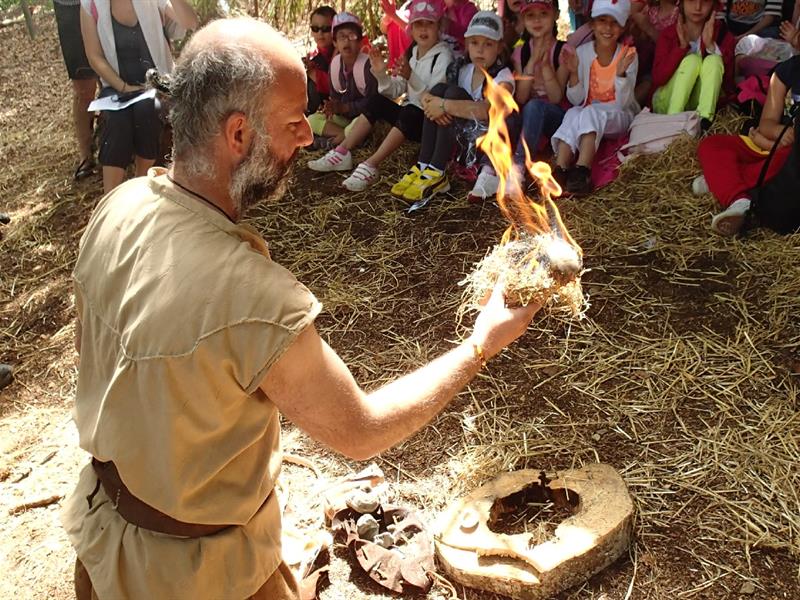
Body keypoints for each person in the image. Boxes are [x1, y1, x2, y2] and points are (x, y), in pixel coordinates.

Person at [61, 17, 541, 600]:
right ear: (238, 134)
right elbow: (359, 431)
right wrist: (480, 343)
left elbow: (111, 361)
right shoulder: (252, 295)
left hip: (99, 540)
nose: (309, 137)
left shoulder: (120, 206)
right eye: (293, 122)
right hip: (200, 576)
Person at [308, 0, 453, 192]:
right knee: (377, 102)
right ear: (411, 29)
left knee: (410, 110)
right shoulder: (413, 52)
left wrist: (411, 76)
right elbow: (396, 90)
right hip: (411, 114)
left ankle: (371, 164)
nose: (423, 30)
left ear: (439, 26)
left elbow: (433, 101)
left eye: (429, 24)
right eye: (418, 24)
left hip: (428, 122)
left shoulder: (443, 56)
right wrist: (381, 74)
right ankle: (343, 151)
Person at [391, 10, 515, 203]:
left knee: (450, 93)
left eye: (488, 44)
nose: (480, 50)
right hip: (459, 140)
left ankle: (437, 170)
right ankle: (425, 164)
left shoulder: (503, 77)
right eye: (475, 43)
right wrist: (433, 103)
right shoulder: (462, 69)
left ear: (499, 48)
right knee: (442, 88)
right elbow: (437, 99)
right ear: (467, 44)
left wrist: (443, 105)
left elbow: (487, 111)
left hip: (484, 145)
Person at [80, 0, 198, 194]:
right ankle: (111, 198)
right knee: (116, 120)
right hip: (116, 86)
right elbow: (94, 56)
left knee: (147, 109)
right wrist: (123, 87)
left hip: (155, 85)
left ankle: (140, 188)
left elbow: (189, 22)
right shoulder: (90, 4)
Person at [695, 53, 799, 235]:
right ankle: (737, 196)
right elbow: (766, 123)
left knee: (789, 157)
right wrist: (773, 136)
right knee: (711, 144)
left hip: (791, 158)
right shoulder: (787, 71)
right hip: (770, 144)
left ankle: (723, 183)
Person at [551, 0, 640, 195]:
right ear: (592, 24)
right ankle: (561, 169)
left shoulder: (627, 55)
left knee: (589, 112)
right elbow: (576, 100)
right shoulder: (583, 53)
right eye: (602, 21)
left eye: (614, 22)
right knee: (574, 112)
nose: (608, 28)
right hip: (588, 114)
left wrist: (621, 75)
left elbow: (623, 103)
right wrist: (574, 73)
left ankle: (582, 171)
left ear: (623, 26)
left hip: (618, 116)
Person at [651, 0, 735, 127]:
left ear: (713, 5)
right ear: (682, 3)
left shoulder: (723, 35)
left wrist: (711, 47)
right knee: (692, 61)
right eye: (691, 0)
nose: (698, 7)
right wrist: (681, 48)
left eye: (705, 1)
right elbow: (658, 78)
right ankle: (672, 123)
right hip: (667, 102)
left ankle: (704, 122)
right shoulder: (668, 34)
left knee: (714, 60)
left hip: (700, 104)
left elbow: (728, 85)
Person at [511, 0, 570, 179]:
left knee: (535, 106)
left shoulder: (564, 50)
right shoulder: (520, 52)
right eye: (531, 16)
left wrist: (545, 67)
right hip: (529, 116)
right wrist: (531, 62)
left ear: (555, 15)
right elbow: (521, 97)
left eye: (543, 14)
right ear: (523, 19)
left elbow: (556, 97)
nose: (537, 21)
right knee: (520, 110)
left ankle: (519, 166)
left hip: (556, 116)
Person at [306, 12, 378, 149]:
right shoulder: (335, 66)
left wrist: (346, 107)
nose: (346, 41)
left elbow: (373, 103)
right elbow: (335, 97)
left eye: (352, 36)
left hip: (364, 120)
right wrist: (332, 106)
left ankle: (333, 142)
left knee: (359, 122)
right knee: (312, 119)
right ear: (335, 42)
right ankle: (352, 138)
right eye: (341, 37)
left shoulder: (367, 66)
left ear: (360, 41)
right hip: (345, 120)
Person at [54, 0, 98, 180]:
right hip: (70, 7)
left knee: (117, 75)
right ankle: (86, 156)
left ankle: (119, 147)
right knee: (84, 88)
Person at [304, 5, 336, 119]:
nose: (320, 33)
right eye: (315, 29)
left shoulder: (342, 51)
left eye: (326, 29)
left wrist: (313, 73)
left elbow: (339, 87)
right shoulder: (314, 55)